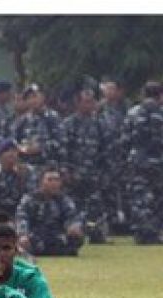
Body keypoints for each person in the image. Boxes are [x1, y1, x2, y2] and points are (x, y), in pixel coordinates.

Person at [123, 81, 163, 245]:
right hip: (160, 162)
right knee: (160, 198)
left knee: (139, 198)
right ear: (161, 95)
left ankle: (143, 233)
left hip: (138, 161)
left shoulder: (133, 113)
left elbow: (125, 139)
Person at [63, 87, 108, 243]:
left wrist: (104, 172)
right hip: (75, 173)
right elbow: (64, 150)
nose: (89, 105)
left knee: (95, 207)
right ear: (78, 103)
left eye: (92, 102)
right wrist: (66, 170)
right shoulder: (69, 124)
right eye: (86, 102)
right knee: (74, 206)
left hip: (94, 173)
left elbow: (105, 149)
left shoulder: (100, 124)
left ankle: (97, 234)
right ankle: (76, 233)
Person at [14, 168, 84, 256]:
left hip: (57, 236)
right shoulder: (30, 199)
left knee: (76, 236)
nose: (54, 183)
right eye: (50, 180)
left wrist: (73, 226)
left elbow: (72, 216)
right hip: (35, 236)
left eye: (57, 180)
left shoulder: (64, 200)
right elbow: (22, 217)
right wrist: (22, 234)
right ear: (41, 182)